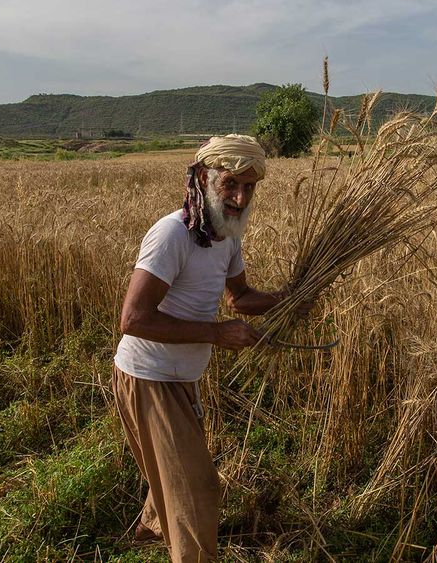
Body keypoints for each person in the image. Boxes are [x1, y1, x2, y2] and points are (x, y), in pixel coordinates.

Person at [112, 134, 299, 562]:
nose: (239, 197)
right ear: (203, 177)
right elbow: (133, 319)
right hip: (148, 378)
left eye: (249, 187)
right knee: (197, 492)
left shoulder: (225, 235)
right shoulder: (171, 235)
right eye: (230, 183)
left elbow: (240, 298)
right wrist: (216, 334)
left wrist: (291, 295)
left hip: (179, 378)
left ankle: (146, 531)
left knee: (175, 474)